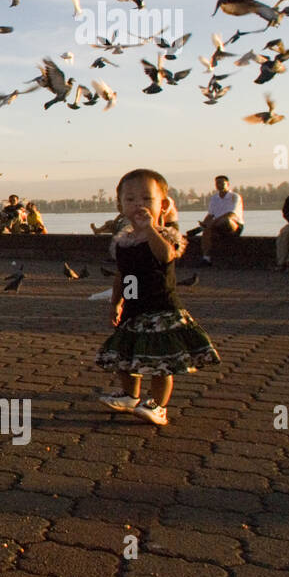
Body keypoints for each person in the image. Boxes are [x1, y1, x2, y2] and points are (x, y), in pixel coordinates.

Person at [97, 168, 218, 427]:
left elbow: (165, 257)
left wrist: (150, 228)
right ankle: (130, 395)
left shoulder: (164, 236)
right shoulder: (123, 241)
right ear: (120, 207)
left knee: (161, 363)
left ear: (162, 205)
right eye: (130, 200)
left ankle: (158, 406)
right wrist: (117, 303)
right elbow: (123, 275)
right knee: (123, 356)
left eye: (146, 199)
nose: (138, 204)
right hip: (134, 309)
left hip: (161, 309)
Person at [193, 175, 244, 265]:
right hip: (216, 225)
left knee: (225, 221)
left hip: (233, 225)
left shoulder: (235, 197)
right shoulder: (214, 198)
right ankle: (206, 258)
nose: (219, 185)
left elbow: (231, 214)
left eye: (221, 183)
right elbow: (210, 214)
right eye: (217, 183)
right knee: (206, 231)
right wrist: (204, 223)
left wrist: (212, 223)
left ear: (227, 184)